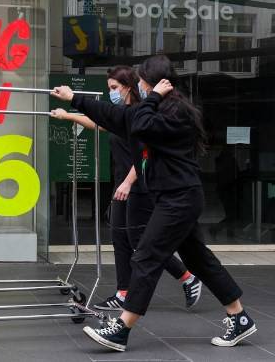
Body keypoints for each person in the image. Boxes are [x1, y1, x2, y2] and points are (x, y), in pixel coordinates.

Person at [51, 55, 257, 352]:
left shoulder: (175, 115)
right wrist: (74, 100)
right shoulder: (151, 111)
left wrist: (153, 97)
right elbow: (113, 116)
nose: (141, 89)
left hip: (180, 199)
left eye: (143, 84)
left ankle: (121, 328)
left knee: (146, 256)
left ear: (155, 85)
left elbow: (141, 125)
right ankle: (239, 317)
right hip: (173, 197)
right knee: (199, 259)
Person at [51, 66, 202, 311]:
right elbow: (99, 123)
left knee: (141, 242)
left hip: (137, 186)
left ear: (129, 87)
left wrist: (128, 182)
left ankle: (186, 278)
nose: (111, 93)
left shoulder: (140, 115)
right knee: (122, 239)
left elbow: (144, 153)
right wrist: (67, 116)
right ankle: (124, 292)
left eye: (114, 88)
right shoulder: (124, 113)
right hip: (125, 185)